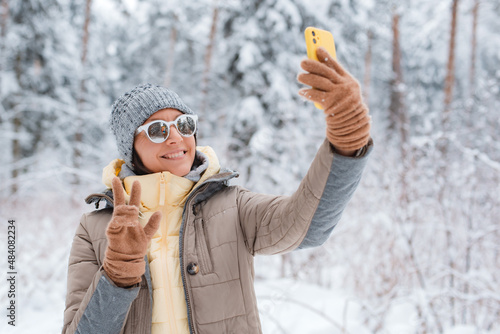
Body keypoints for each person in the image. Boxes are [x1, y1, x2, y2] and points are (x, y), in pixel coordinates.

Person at [62, 47, 373, 334]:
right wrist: (117, 274)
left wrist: (347, 143)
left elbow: (308, 227)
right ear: (130, 147)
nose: (176, 138)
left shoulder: (232, 206)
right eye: (157, 130)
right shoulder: (96, 229)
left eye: (184, 125)